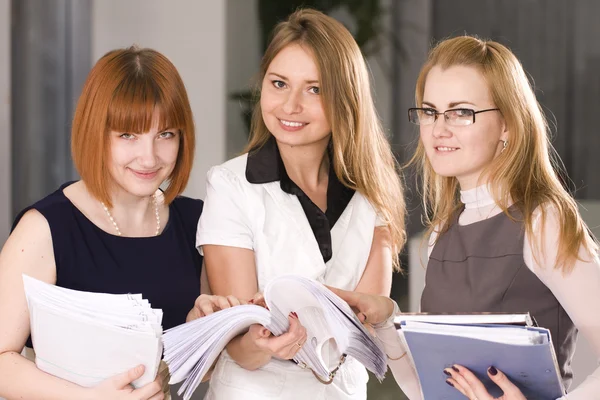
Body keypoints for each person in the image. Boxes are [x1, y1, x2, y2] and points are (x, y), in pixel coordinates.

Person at [331, 35, 600, 400]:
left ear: (508, 124)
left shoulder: (543, 222)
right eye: (429, 111)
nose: (439, 128)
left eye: (461, 112)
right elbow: (429, 389)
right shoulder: (443, 230)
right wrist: (386, 319)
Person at [0, 46, 236, 400]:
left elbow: (201, 372)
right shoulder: (45, 228)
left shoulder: (195, 221)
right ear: (96, 133)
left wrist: (203, 333)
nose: (149, 156)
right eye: (128, 135)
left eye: (166, 134)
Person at [193, 8, 406, 400]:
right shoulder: (230, 186)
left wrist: (365, 315)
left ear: (346, 98)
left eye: (315, 89)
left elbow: (367, 332)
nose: (290, 105)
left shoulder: (374, 193)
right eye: (278, 84)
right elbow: (237, 343)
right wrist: (261, 343)